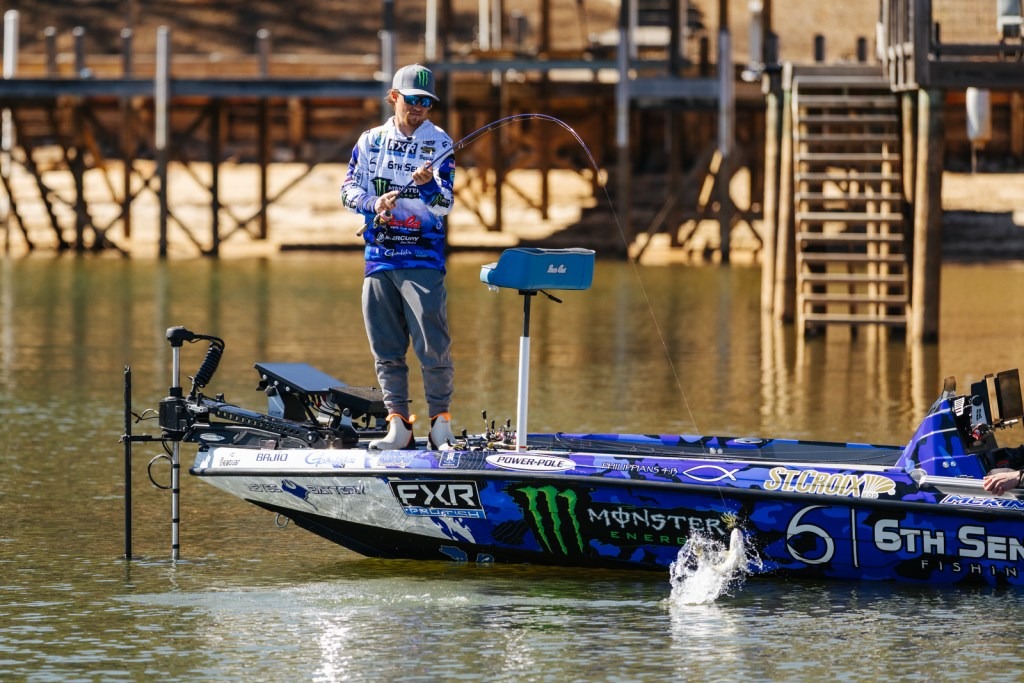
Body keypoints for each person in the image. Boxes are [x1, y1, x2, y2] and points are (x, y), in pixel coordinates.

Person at [340, 64, 457, 451]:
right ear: (394, 97)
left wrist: (427, 188)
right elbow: (347, 191)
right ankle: (399, 426)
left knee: (433, 348)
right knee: (386, 350)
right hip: (378, 259)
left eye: (427, 102)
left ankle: (440, 426)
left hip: (422, 259)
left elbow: (444, 205)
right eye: (413, 99)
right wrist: (374, 204)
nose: (420, 107)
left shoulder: (440, 142)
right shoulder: (370, 140)